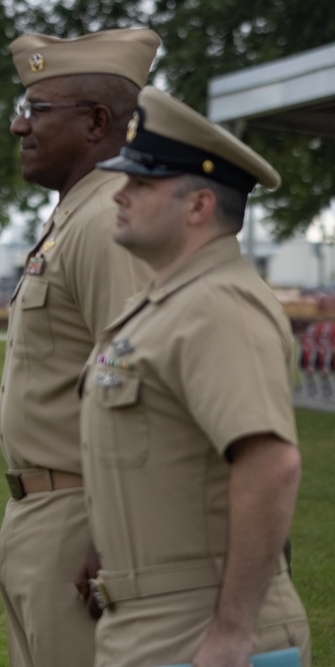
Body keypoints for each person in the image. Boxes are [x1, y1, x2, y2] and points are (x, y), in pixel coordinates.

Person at [80, 86, 311, 667]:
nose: (121, 194)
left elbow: (271, 465)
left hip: (202, 624)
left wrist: (233, 631)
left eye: (141, 183)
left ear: (199, 206)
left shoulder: (219, 306)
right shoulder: (171, 301)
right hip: (151, 619)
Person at [0, 28, 160, 667]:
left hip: (82, 518)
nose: (18, 126)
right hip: (40, 513)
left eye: (36, 109)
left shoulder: (105, 222)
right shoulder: (73, 218)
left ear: (96, 122)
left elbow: (135, 382)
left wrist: (115, 534)